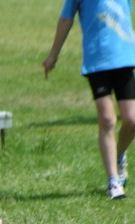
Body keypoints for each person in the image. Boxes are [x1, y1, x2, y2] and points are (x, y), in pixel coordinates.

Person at [43, 0, 135, 200]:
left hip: (124, 57)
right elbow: (66, 19)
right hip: (97, 60)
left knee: (132, 120)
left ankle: (119, 155)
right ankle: (113, 181)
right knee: (108, 119)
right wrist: (53, 55)